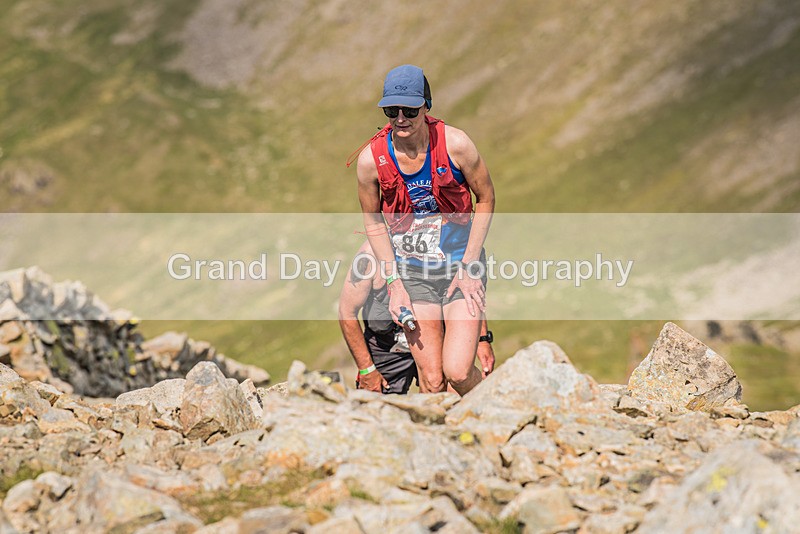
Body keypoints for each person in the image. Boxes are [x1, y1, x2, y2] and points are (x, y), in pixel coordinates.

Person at [355, 65, 495, 395]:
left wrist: (471, 265)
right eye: (392, 110)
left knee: (459, 372)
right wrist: (394, 283)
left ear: (426, 105)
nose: (401, 118)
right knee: (432, 381)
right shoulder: (370, 162)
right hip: (413, 272)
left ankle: (494, 409)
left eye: (410, 110)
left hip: (460, 265)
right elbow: (373, 221)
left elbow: (486, 198)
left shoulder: (457, 145)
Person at [338, 241, 495, 394]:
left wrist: (482, 340)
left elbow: (467, 291)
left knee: (451, 394)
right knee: (374, 407)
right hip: (387, 347)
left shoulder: (440, 241)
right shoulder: (369, 256)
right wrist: (367, 369)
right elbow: (347, 313)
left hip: (436, 339)